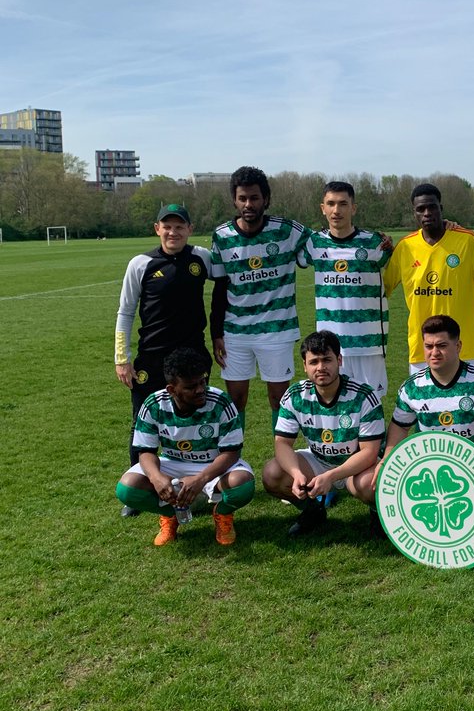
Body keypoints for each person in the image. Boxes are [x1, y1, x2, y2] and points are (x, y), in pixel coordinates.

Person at [381, 315, 474, 554]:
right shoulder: (412, 388)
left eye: (441, 345)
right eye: (428, 346)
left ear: (458, 346)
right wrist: (386, 460)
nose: (434, 352)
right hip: (435, 463)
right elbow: (399, 428)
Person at [114, 203, 212, 510]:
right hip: (152, 358)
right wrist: (122, 357)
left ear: (189, 229)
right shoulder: (140, 263)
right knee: (141, 422)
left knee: (196, 418)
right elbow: (125, 312)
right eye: (167, 226)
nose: (173, 232)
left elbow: (226, 290)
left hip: (193, 358)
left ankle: (204, 484)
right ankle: (141, 488)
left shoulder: (202, 258)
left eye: (179, 226)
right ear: (157, 229)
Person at [114, 347, 255, 547]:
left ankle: (222, 514)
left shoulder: (220, 401)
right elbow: (145, 451)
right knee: (127, 488)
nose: (200, 390)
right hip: (172, 463)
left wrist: (201, 479)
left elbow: (232, 453)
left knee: (243, 484)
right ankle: (169, 515)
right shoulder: (154, 404)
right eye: (191, 387)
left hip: (213, 464)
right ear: (172, 389)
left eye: (202, 382)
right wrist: (157, 479)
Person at [210, 166, 309, 432]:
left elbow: (326, 243)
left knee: (279, 399)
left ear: (266, 199)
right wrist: (216, 332)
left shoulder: (288, 231)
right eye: (242, 198)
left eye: (254, 198)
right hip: (236, 333)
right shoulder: (222, 236)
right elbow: (220, 287)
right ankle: (234, 464)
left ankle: (282, 462)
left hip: (277, 331)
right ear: (234, 199)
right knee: (236, 400)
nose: (248, 204)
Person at [262, 330, 385, 538]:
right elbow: (282, 443)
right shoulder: (294, 396)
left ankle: (377, 515)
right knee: (272, 473)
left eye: (327, 360)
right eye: (314, 362)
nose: (321, 367)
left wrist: (332, 476)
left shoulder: (364, 396)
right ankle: (313, 511)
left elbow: (369, 453)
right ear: (304, 365)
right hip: (319, 460)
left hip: (359, 466)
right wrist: (297, 474)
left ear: (339, 360)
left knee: (369, 485)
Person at [383, 183, 474, 370]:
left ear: (441, 208)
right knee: (422, 400)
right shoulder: (405, 247)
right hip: (423, 349)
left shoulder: (467, 240)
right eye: (421, 209)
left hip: (462, 346)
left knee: (466, 399)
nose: (427, 213)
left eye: (432, 207)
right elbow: (381, 290)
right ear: (414, 213)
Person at [300, 181, 393, 398]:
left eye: (343, 204)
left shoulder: (375, 243)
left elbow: (407, 253)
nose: (336, 210)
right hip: (330, 346)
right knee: (335, 404)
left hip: (369, 345)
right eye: (330, 204)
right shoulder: (313, 244)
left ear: (353, 208)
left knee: (373, 403)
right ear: (322, 208)